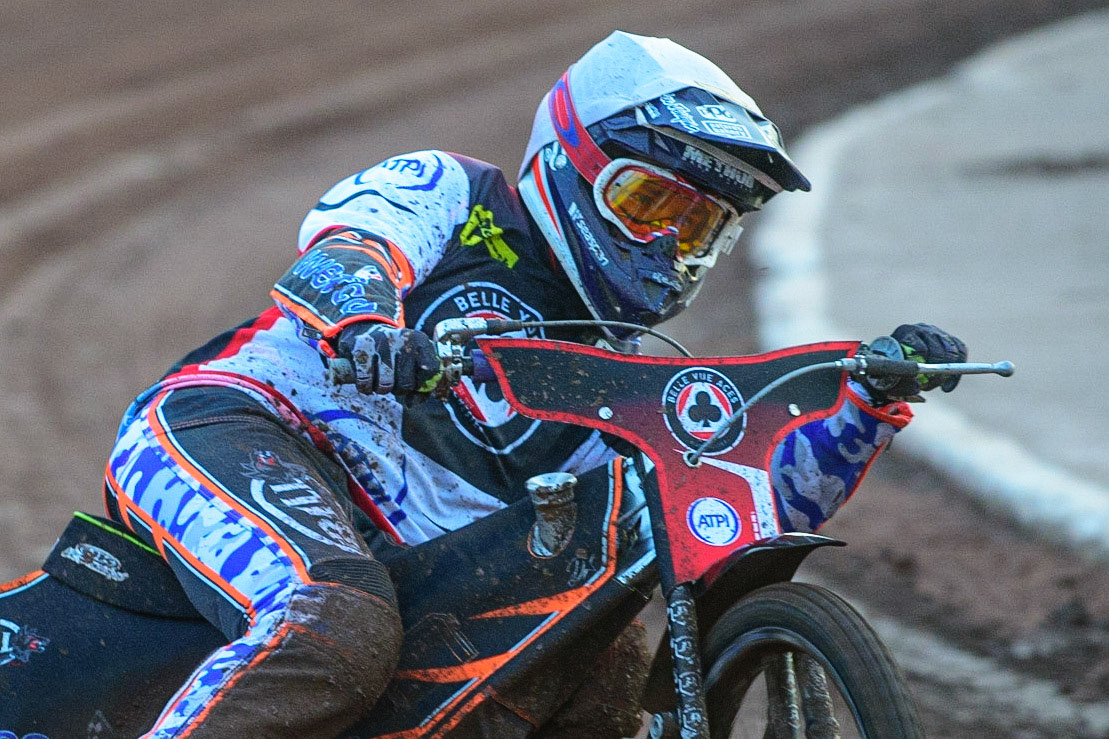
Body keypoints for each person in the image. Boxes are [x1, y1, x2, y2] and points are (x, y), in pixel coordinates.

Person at [102, 31, 966, 738]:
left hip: (418, 552)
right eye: (649, 206)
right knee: (335, 624)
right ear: (569, 163)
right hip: (246, 427)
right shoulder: (454, 193)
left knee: (604, 663)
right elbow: (344, 249)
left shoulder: (633, 380)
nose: (669, 247)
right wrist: (368, 327)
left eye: (700, 225)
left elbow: (738, 513)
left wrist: (862, 412)